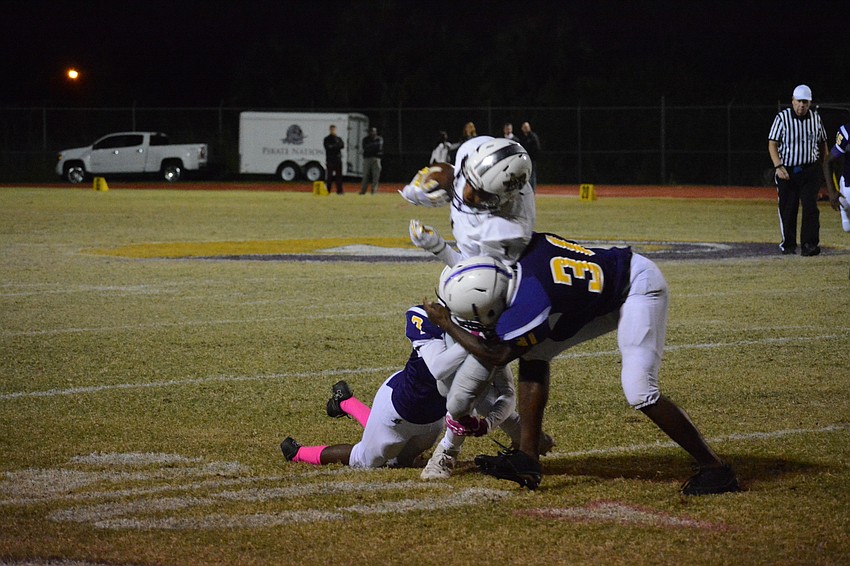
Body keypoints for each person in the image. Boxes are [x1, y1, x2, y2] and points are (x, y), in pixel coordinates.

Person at [423, 243, 741, 496]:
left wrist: (447, 324)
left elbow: (497, 355)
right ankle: (528, 460)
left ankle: (715, 468)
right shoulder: (516, 262)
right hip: (601, 293)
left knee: (639, 389)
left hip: (637, 286)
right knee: (535, 351)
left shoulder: (532, 300)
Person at [399, 137, 553, 478]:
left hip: (487, 302)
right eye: (470, 182)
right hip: (464, 286)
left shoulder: (507, 231)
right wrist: (430, 177)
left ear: (503, 199)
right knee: (452, 388)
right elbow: (451, 172)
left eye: (478, 193)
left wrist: (437, 246)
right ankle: (527, 437)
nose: (467, 194)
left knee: (463, 392)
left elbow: (477, 280)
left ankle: (447, 451)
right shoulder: (479, 151)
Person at [280, 305, 516, 470]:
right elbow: (437, 368)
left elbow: (505, 392)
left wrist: (490, 424)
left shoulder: (490, 335)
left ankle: (344, 401)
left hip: (433, 419)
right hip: (397, 407)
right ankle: (298, 453)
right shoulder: (431, 321)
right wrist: (474, 343)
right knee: (365, 460)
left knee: (400, 462)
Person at [768, 85, 829, 256]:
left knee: (810, 207)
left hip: (810, 170)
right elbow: (772, 143)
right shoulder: (782, 118)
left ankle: (809, 244)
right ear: (792, 101)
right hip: (787, 171)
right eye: (799, 101)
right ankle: (788, 244)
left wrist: (825, 165)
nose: (801, 105)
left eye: (805, 102)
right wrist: (778, 166)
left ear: (810, 103)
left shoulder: (816, 119)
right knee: (788, 208)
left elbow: (823, 142)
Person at [822, 121, 850, 233]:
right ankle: (844, 203)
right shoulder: (847, 133)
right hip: (849, 183)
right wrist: (832, 191)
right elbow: (827, 162)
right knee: (847, 228)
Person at [516, 121, 541, 191]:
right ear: (522, 128)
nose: (526, 128)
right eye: (524, 127)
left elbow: (537, 148)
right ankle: (525, 191)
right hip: (523, 160)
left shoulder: (533, 137)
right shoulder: (521, 138)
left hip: (531, 159)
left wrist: (532, 156)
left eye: (527, 127)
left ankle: (532, 191)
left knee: (532, 176)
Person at [359, 127, 383, 195]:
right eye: (371, 131)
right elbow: (365, 147)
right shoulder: (365, 139)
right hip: (367, 159)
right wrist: (373, 146)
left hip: (376, 158)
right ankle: (363, 191)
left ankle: (374, 190)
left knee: (376, 175)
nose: (372, 133)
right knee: (365, 175)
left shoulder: (379, 139)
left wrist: (370, 147)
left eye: (373, 131)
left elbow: (379, 147)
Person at [323, 125, 345, 195]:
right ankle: (328, 190)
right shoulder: (326, 139)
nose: (333, 131)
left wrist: (333, 146)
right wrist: (336, 146)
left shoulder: (338, 138)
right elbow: (327, 147)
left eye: (334, 129)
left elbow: (342, 146)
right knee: (329, 176)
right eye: (331, 130)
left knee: (339, 176)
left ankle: (340, 191)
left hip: (338, 160)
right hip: (330, 160)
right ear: (329, 130)